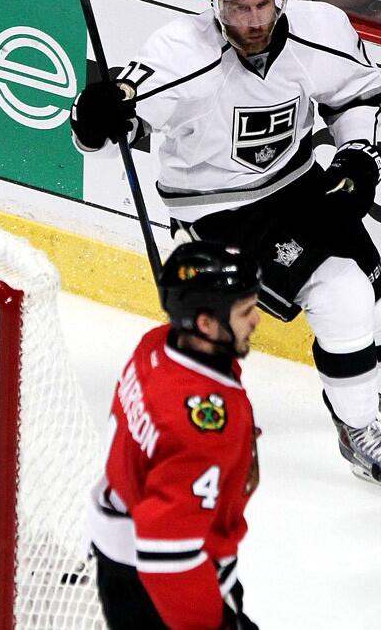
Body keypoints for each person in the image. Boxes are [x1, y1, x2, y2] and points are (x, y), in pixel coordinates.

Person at [70, 0, 381, 496]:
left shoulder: (319, 29)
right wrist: (93, 117)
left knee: (377, 286)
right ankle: (357, 430)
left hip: (296, 179)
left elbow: (355, 96)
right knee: (340, 294)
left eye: (263, 3)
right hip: (219, 206)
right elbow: (116, 129)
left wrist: (356, 155)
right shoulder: (180, 53)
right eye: (238, 8)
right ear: (214, 4)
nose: (254, 20)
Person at [85, 241, 262, 629]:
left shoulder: (158, 343)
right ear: (204, 324)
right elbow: (168, 555)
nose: (256, 321)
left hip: (126, 555)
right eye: (246, 311)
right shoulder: (203, 428)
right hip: (159, 587)